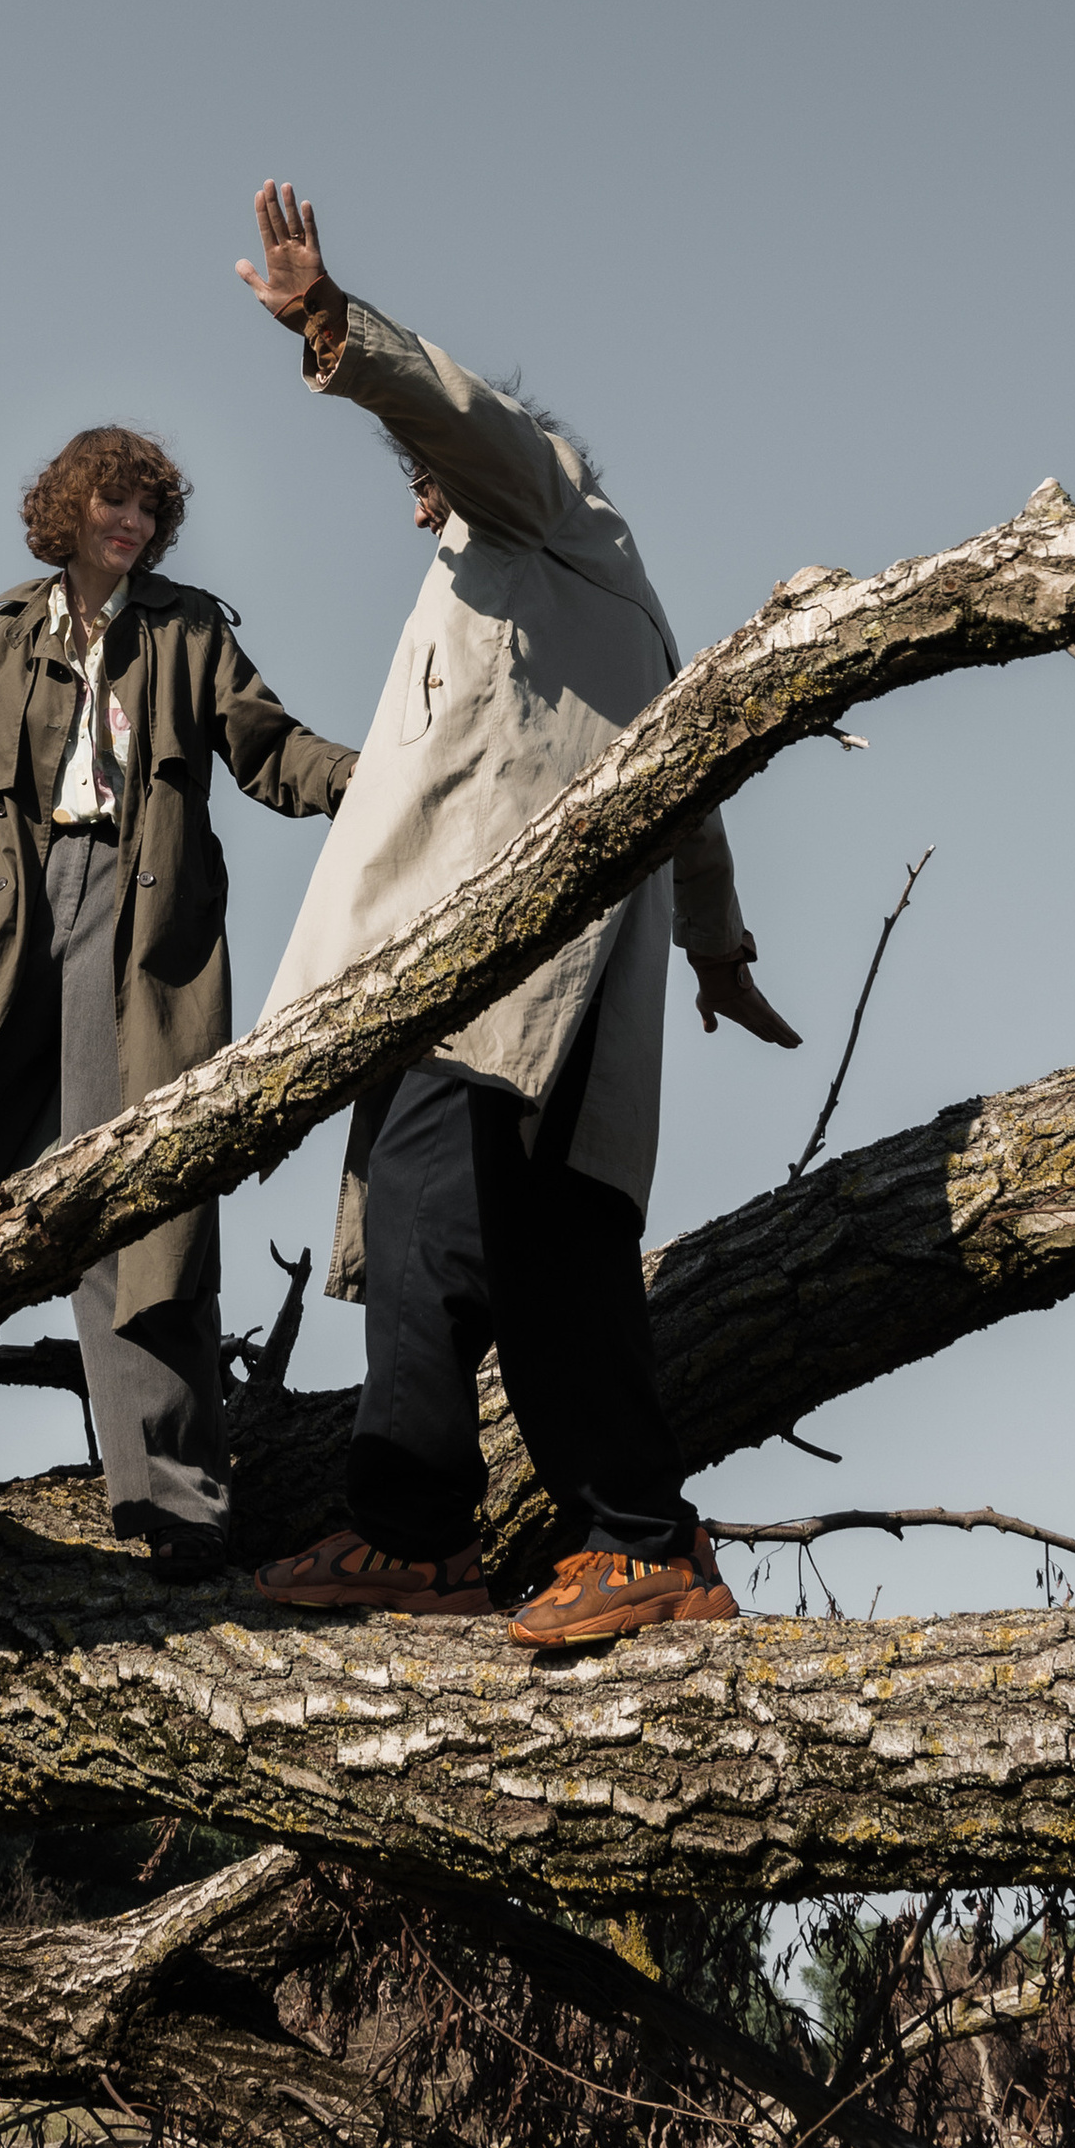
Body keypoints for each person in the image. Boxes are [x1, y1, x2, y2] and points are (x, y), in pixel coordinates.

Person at [235, 185, 801, 1648]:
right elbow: (697, 778)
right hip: (530, 992)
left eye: (425, 460)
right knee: (511, 1254)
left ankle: (501, 1535)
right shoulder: (579, 590)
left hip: (505, 985)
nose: (418, 483)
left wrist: (333, 327)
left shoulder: (545, 503)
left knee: (459, 1224)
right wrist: (718, 946)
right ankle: (567, 1539)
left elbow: (468, 419)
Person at [0, 424, 355, 1582]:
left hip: (145, 932)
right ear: (68, 508)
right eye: (115, 502)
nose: (133, 523)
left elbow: (264, 747)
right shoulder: (7, 632)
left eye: (150, 509)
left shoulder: (191, 629)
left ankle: (176, 1506)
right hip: (14, 925)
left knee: (138, 1208)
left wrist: (367, 780)